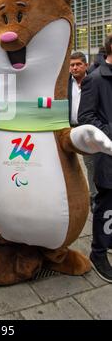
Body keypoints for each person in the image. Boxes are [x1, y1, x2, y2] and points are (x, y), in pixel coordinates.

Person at [78, 34, 112, 282]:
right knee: (106, 205)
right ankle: (98, 253)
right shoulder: (95, 79)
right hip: (107, 154)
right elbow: (86, 116)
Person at [68, 51, 97, 211]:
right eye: (72, 65)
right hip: (69, 129)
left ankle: (93, 197)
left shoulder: (94, 81)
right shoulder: (65, 83)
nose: (75, 68)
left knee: (91, 163)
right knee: (67, 163)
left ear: (86, 65)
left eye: (78, 64)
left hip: (87, 130)